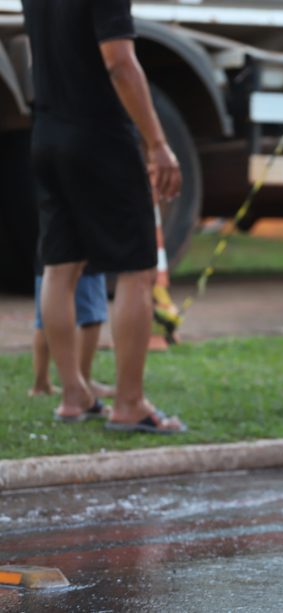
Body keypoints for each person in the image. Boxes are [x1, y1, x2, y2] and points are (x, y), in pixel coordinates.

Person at [23, 0, 185, 432]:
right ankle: (129, 403)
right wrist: (157, 142)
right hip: (99, 139)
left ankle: (74, 395)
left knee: (61, 267)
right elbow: (119, 61)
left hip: (47, 134)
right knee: (138, 270)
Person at [31, 269, 115, 406]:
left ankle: (41, 384)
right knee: (91, 315)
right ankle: (83, 383)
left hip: (47, 261)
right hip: (80, 261)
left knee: (45, 319)